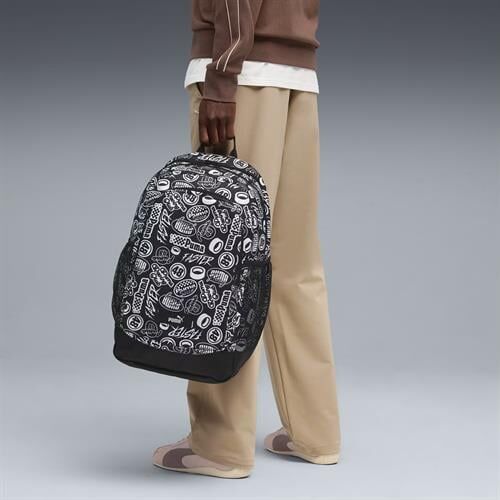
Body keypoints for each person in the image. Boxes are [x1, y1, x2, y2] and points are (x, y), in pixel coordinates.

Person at [153, 0, 341, 478]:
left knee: (222, 264)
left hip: (242, 73)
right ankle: (316, 433)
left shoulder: (230, 72)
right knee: (296, 266)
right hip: (297, 73)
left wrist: (221, 76)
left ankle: (219, 446)